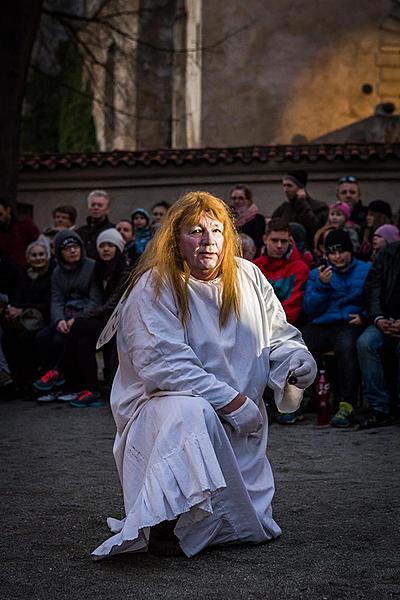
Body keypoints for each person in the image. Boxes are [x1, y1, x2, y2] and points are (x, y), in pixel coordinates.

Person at [91, 191, 316, 560]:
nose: (208, 241)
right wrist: (230, 402)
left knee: (247, 526)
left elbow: (278, 335)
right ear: (176, 239)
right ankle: (169, 522)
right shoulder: (154, 285)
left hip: (241, 424)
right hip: (166, 412)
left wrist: (296, 360)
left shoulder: (248, 276)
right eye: (195, 231)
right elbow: (164, 363)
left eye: (216, 230)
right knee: (188, 411)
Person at [302, 229, 371, 428]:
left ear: (350, 250)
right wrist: (322, 286)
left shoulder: (366, 270)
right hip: (322, 324)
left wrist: (365, 316)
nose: (337, 257)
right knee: (298, 343)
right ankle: (299, 402)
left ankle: (346, 404)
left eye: (342, 251)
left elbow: (375, 298)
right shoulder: (318, 273)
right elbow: (310, 309)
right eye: (332, 253)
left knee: (346, 346)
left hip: (350, 324)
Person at [62, 229, 127, 408]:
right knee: (83, 340)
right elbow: (96, 298)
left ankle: (60, 371)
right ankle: (91, 390)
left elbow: (112, 304)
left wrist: (79, 317)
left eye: (110, 245)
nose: (105, 249)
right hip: (104, 321)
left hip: (120, 323)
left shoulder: (126, 270)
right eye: (102, 246)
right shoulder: (99, 269)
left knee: (79, 326)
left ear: (118, 248)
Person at [33, 230, 99, 396]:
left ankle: (67, 382)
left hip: (85, 317)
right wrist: (59, 320)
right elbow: (56, 300)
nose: (72, 251)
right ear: (60, 252)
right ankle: (54, 383)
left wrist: (76, 319)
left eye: (76, 246)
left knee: (60, 340)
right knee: (42, 337)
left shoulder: (91, 267)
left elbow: (95, 300)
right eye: (67, 248)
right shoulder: (57, 272)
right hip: (65, 315)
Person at [356, 240, 400, 428]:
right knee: (365, 343)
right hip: (384, 320)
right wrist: (378, 318)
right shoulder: (387, 253)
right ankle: (378, 406)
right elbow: (372, 288)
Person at [2, 241, 52, 395]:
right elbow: (17, 295)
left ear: (47, 256)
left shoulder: (52, 273)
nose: (38, 258)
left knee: (28, 338)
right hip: (23, 319)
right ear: (28, 258)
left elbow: (47, 303)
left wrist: (23, 308)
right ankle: (18, 382)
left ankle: (33, 382)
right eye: (34, 255)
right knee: (8, 338)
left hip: (43, 318)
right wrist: (14, 308)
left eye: (41, 254)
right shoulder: (23, 274)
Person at [254, 218, 309, 327]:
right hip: (256, 325)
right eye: (274, 240)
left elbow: (293, 306)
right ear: (265, 239)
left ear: (290, 241)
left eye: (284, 241)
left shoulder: (300, 268)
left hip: (286, 327)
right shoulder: (254, 267)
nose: (279, 246)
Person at [272, 171, 328, 248]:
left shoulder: (319, 207)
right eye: (284, 185)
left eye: (289, 186)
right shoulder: (283, 208)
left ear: (300, 188)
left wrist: (302, 202)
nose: (285, 189)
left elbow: (315, 228)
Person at [0, 198, 40, 268]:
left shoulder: (25, 225)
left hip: (25, 270)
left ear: (8, 210)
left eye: (0, 214)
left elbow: (39, 243)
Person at [76, 190, 115, 259]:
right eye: (93, 205)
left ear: (107, 210)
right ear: (88, 208)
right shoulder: (80, 232)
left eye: (100, 205)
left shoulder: (113, 231)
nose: (96, 208)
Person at [230, 185, 266, 256]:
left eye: (241, 198)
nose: (237, 201)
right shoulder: (228, 219)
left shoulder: (258, 219)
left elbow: (259, 244)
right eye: (234, 198)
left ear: (248, 200)